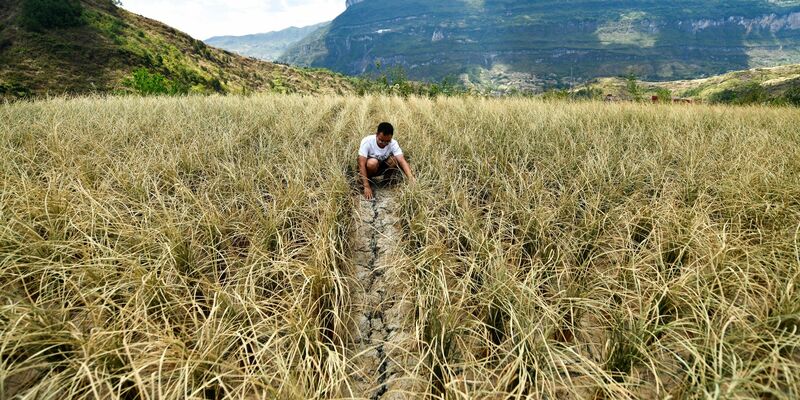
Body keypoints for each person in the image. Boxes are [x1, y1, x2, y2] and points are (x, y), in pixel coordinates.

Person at [358, 122, 415, 200]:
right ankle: (369, 180)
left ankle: (387, 181)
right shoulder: (367, 141)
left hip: (383, 166)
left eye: (387, 141)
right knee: (372, 163)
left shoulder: (393, 143)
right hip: (370, 168)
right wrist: (366, 186)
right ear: (377, 134)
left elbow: (402, 161)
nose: (384, 143)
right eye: (381, 140)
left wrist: (411, 178)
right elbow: (361, 164)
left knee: (395, 159)